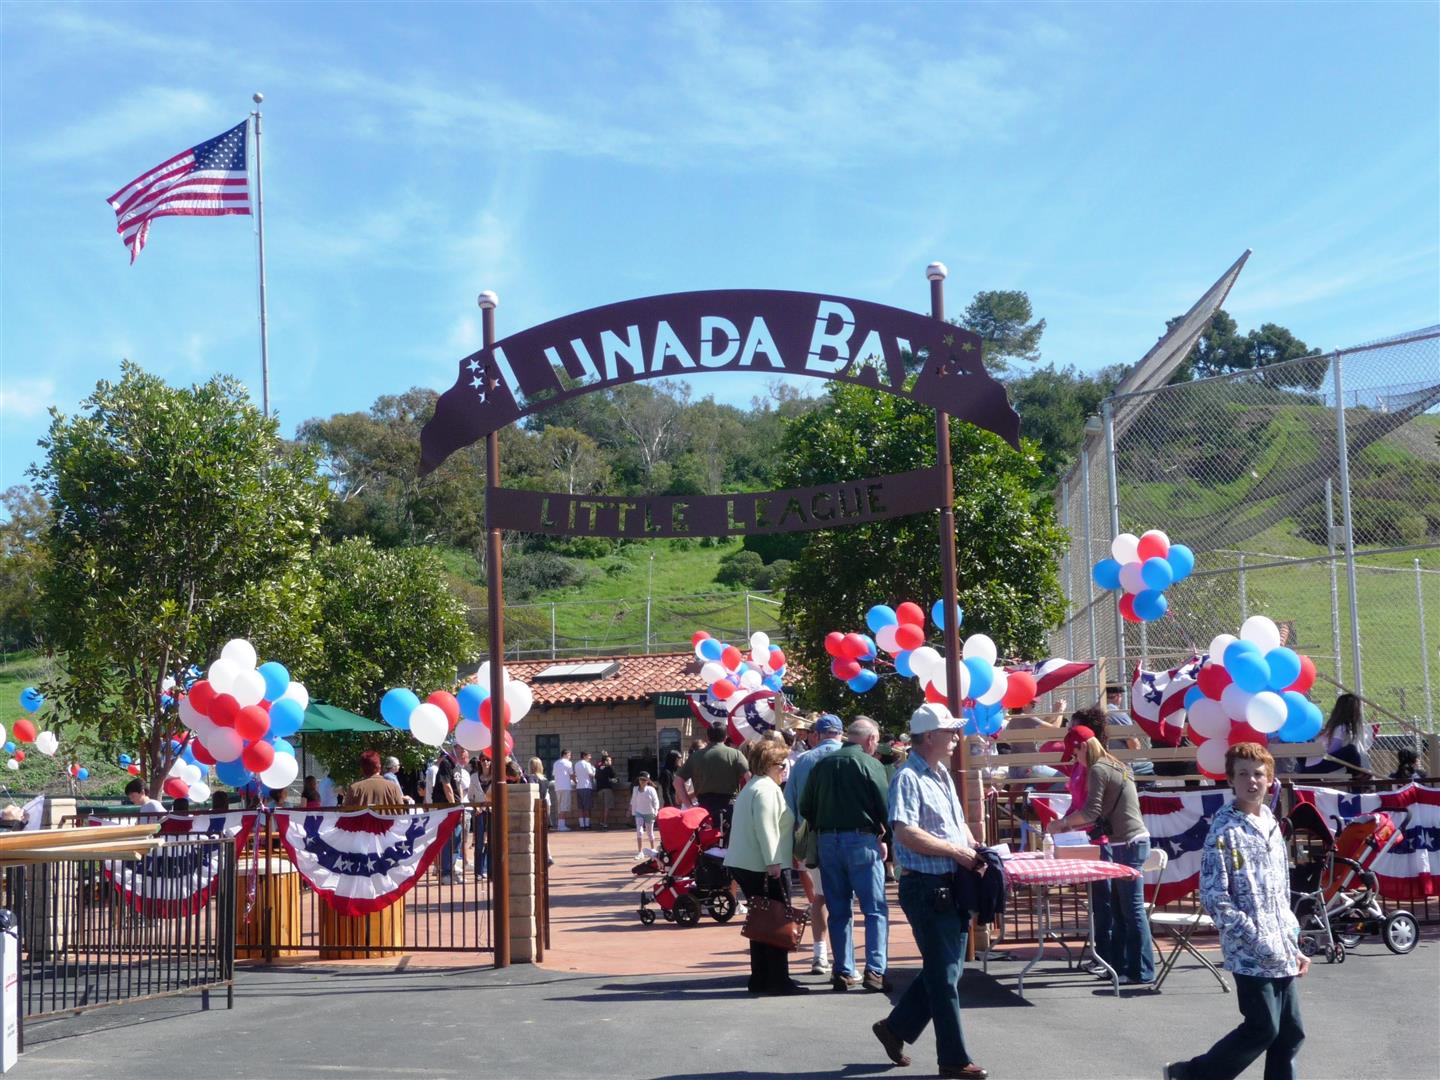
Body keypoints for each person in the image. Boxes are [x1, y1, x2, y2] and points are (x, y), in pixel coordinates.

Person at [1165, 743, 1308, 1080]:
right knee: (1263, 1027)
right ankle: (1190, 1075)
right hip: (1249, 951)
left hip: (1282, 947)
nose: (1251, 781)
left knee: (1290, 1032)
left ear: (1269, 779)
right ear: (1230, 779)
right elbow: (1214, 896)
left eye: (1258, 774)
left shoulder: (1271, 823)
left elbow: (1281, 890)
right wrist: (1252, 935)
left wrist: (1293, 941)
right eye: (1243, 774)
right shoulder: (1224, 830)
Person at [871, 704, 987, 1080]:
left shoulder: (939, 774)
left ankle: (895, 1029)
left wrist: (974, 848)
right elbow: (904, 832)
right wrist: (957, 851)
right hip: (926, 885)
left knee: (946, 970)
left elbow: (957, 823)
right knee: (944, 975)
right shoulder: (908, 777)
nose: (955, 737)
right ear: (931, 736)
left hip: (946, 884)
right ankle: (953, 1058)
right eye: (950, 732)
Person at [1045, 723, 1154, 985]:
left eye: (1075, 754)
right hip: (1129, 842)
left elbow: (1091, 812)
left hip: (1127, 844)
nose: (1076, 760)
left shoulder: (1097, 769)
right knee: (1122, 910)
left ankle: (1141, 971)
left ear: (1083, 747)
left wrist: (1062, 824)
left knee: (1130, 911)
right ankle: (1123, 967)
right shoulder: (1115, 764)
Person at [800, 717, 891, 993]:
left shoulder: (821, 765)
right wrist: (885, 836)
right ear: (870, 739)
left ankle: (843, 970)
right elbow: (885, 806)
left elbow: (806, 806)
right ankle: (875, 970)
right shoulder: (870, 764)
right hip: (862, 840)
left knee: (838, 908)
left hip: (828, 841)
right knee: (874, 909)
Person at [724, 737, 806, 997]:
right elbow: (766, 827)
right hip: (765, 864)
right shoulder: (767, 790)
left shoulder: (752, 786)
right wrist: (773, 862)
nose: (784, 770)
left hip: (747, 863)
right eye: (782, 765)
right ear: (770, 764)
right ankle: (778, 979)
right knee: (776, 922)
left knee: (761, 921)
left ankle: (760, 977)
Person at [785, 712, 845, 975]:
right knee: (847, 897)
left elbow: (789, 806)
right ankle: (845, 959)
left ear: (817, 735)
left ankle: (820, 955)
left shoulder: (803, 761)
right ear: (840, 734)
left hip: (813, 838)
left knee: (820, 896)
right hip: (851, 837)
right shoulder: (853, 757)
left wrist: (793, 843)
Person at [677, 723, 749, 837]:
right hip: (729, 807)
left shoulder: (695, 757)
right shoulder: (736, 754)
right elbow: (750, 779)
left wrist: (689, 806)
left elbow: (677, 781)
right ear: (725, 737)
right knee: (730, 841)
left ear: (708, 737)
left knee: (706, 842)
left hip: (704, 809)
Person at [1304, 693, 1371, 777]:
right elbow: (1333, 750)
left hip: (1312, 765)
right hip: (1318, 765)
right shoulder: (1340, 728)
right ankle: (1357, 774)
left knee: (1349, 754)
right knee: (1351, 750)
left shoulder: (1333, 726)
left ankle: (1356, 773)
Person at [1103, 684, 1155, 777]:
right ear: (1118, 696)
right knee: (1150, 766)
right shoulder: (1117, 713)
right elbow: (1135, 747)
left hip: (1101, 761)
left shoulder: (1093, 709)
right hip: (1120, 762)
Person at [630, 771, 660, 853]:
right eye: (641, 779)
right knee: (639, 831)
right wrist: (632, 811)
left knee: (650, 833)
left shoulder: (651, 790)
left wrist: (656, 812)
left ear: (648, 781)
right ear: (638, 780)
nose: (642, 781)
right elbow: (633, 800)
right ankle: (640, 852)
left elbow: (656, 801)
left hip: (650, 813)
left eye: (645, 780)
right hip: (639, 813)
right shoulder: (635, 789)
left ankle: (653, 850)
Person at [574, 750, 597, 830]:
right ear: (584, 756)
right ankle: (587, 825)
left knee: (580, 808)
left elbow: (575, 775)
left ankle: (582, 825)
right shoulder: (587, 764)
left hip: (579, 787)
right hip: (586, 787)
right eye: (589, 756)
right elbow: (591, 775)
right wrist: (594, 771)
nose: (590, 757)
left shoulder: (576, 764)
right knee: (587, 807)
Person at [553, 749, 575, 831]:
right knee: (564, 806)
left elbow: (554, 774)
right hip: (565, 787)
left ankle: (560, 825)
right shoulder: (568, 763)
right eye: (569, 755)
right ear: (565, 755)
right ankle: (562, 826)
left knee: (559, 807)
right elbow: (571, 774)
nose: (570, 757)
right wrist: (576, 781)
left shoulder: (556, 763)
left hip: (557, 787)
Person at [594, 752, 617, 830]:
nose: (611, 761)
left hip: (599, 790)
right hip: (607, 789)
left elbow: (596, 777)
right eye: (609, 760)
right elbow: (614, 778)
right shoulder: (609, 768)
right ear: (606, 761)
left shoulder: (598, 768)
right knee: (607, 807)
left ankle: (601, 822)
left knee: (602, 807)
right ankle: (605, 823)